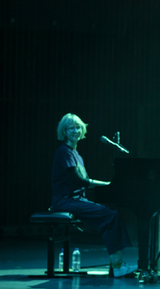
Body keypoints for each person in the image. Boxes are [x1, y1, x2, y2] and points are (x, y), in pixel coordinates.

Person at [51, 113, 137, 277]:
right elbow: (81, 181)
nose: (75, 131)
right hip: (64, 201)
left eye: (78, 127)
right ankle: (118, 266)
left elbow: (82, 183)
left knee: (112, 215)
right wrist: (108, 185)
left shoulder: (76, 154)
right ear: (64, 131)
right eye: (71, 128)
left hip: (75, 199)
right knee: (111, 216)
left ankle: (117, 265)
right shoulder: (64, 152)